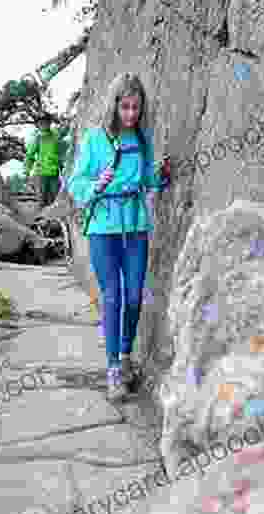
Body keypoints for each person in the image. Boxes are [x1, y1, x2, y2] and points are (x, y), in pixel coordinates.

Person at [66, 73, 171, 402]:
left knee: (135, 296)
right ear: (114, 105)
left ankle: (125, 356)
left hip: (135, 224)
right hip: (103, 228)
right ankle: (113, 368)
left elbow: (147, 179)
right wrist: (96, 184)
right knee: (112, 296)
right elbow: (76, 184)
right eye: (124, 107)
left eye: (135, 108)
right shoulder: (95, 139)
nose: (130, 114)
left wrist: (160, 176)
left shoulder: (142, 140)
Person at [24, 114, 61, 209]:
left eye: (45, 122)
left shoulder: (55, 137)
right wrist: (27, 171)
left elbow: (60, 153)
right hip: (41, 173)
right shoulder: (37, 138)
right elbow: (29, 155)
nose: (43, 125)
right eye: (40, 123)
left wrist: (62, 166)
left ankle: (54, 220)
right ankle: (41, 221)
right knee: (42, 200)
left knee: (55, 200)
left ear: (49, 123)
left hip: (54, 173)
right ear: (38, 125)